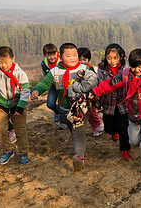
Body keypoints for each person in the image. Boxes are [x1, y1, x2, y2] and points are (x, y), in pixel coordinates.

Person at [91, 49, 141, 176]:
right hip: (133, 117)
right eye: (134, 66)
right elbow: (109, 85)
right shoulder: (125, 76)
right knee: (134, 141)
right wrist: (94, 92)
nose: (137, 69)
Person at [31, 43, 98, 171]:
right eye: (68, 56)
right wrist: (36, 90)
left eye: (75, 55)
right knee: (72, 129)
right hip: (64, 107)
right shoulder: (55, 71)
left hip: (80, 108)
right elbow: (44, 83)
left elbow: (95, 81)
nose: (72, 58)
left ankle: (79, 156)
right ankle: (81, 149)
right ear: (60, 57)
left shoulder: (85, 68)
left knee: (78, 131)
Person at [96, 43, 131, 161]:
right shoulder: (101, 69)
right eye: (109, 58)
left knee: (124, 127)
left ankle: (125, 149)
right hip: (108, 103)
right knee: (109, 128)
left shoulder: (126, 68)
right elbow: (100, 84)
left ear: (121, 56)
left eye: (115, 58)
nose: (112, 61)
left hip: (122, 103)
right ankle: (113, 132)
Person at [78, 47, 104, 137]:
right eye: (79, 60)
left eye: (84, 59)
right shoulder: (77, 70)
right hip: (82, 94)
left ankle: (98, 125)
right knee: (86, 112)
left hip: (91, 94)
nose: (81, 62)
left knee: (90, 111)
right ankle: (96, 126)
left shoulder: (91, 69)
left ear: (88, 59)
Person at [40, 43, 67, 130]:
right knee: (50, 104)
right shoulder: (44, 64)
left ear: (57, 53)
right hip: (52, 86)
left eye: (54, 54)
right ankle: (57, 111)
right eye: (49, 55)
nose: (52, 57)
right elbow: (45, 75)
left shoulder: (62, 61)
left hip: (62, 85)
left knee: (61, 103)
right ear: (45, 55)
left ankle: (63, 123)